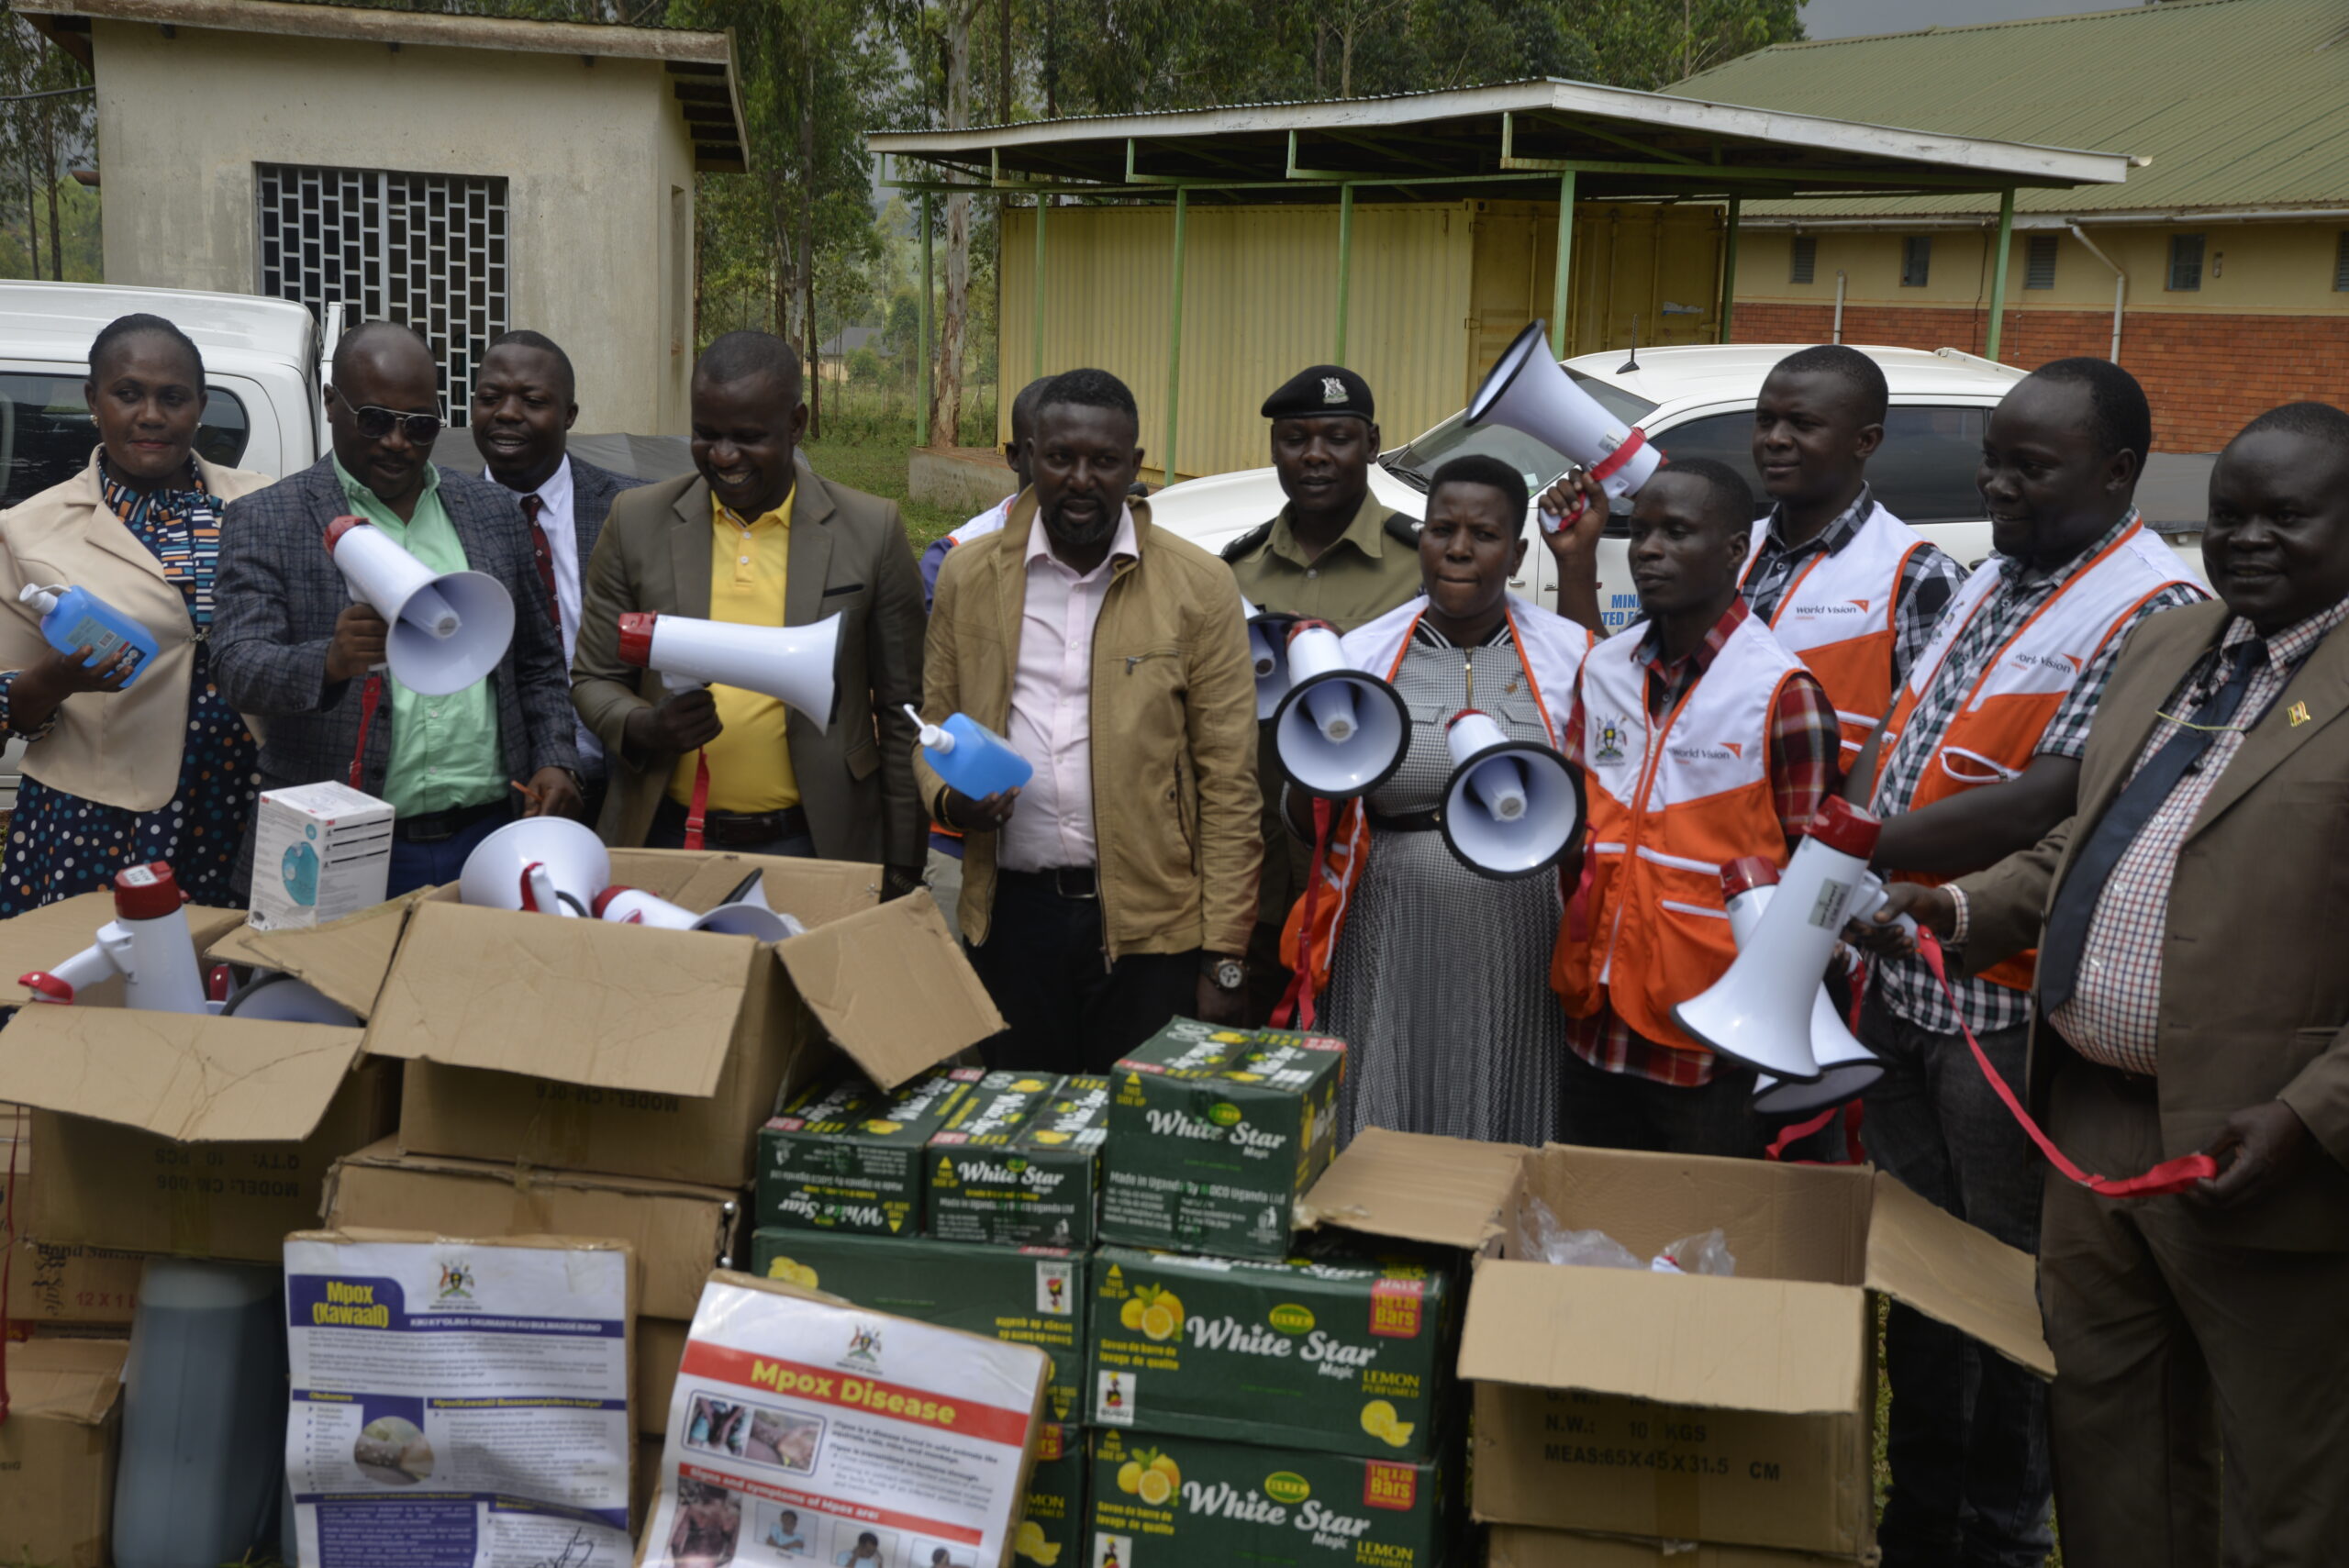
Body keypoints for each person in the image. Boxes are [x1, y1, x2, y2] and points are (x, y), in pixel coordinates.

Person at [1868, 403, 2349, 1568]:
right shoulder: (2171, 647)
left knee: (2278, 1478)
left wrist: (2304, 1116)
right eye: (2226, 514)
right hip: (2089, 1126)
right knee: (2107, 1441)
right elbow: (2084, 843)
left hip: (2257, 1150)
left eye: (2286, 516)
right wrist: (1963, 908)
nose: (2245, 540)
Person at [1850, 358, 2205, 1568]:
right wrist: (1847, 853)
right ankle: (1921, 1515)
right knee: (1919, 1266)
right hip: (1904, 979)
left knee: (2004, 1290)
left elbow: (2057, 796)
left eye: (2029, 466)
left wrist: (1863, 844)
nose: (1997, 484)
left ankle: (1996, 1533)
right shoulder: (1998, 573)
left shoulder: (2150, 607)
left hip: (1998, 1000)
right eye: (1993, 459)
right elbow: (1907, 731)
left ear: (2119, 473)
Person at [918, 368, 1259, 1073]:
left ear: (1135, 466)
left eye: (1104, 461)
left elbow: (1228, 781)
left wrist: (1224, 955)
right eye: (1061, 457)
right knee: (1024, 1150)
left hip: (1153, 934)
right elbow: (932, 728)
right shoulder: (970, 576)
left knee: (1137, 1154)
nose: (1081, 478)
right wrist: (953, 801)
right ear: (1026, 457)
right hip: (1012, 923)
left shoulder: (1199, 587)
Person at [1283, 454, 1593, 1145]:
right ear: (1420, 540)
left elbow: (1600, 794)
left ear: (1515, 554)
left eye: (1483, 534)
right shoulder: (1360, 656)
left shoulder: (1569, 655)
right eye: (1440, 529)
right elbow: (1309, 826)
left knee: (1505, 1104)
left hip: (1520, 936)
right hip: (1388, 923)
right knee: (1387, 1102)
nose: (1457, 548)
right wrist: (1313, 735)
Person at [213, 321, 581, 896]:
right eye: (376, 420)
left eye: (420, 426)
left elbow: (537, 661)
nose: (397, 442)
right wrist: (330, 662)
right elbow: (236, 667)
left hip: (490, 830)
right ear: (331, 403)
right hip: (338, 843)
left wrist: (557, 757)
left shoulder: (490, 510)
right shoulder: (267, 518)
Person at [1547, 458, 1840, 1158]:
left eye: (1677, 532)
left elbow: (1813, 882)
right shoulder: (1605, 669)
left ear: (1736, 549)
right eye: (1640, 531)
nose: (1649, 550)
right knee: (1582, 1233)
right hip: (1594, 1014)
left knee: (1702, 1245)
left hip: (1712, 1039)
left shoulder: (1781, 693)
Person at [572, 331, 926, 891]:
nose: (723, 456)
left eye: (748, 436)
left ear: (797, 424)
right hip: (664, 834)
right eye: (705, 434)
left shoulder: (871, 530)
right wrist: (645, 724)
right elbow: (593, 677)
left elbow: (907, 709)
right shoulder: (636, 521)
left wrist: (904, 859)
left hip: (816, 840)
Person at [0, 315, 274, 913]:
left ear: (200, 406)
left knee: (235, 988)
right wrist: (56, 679)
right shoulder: (28, 530)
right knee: (101, 991)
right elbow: (8, 703)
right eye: (128, 393)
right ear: (94, 401)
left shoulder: (261, 502)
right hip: (99, 817)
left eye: (172, 397)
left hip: (244, 797)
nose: (151, 415)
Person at [1221, 365, 1425, 1023]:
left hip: (1370, 862)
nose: (1313, 455)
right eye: (1294, 438)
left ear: (1371, 443)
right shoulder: (1237, 569)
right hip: (1259, 862)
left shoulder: (1420, 563)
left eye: (1336, 437)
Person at [471, 328, 647, 828]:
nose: (506, 412)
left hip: (623, 783)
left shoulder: (631, 509)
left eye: (532, 400)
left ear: (569, 415)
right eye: (490, 398)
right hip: (503, 796)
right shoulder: (440, 513)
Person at [919, 376, 1051, 611]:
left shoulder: (1131, 551)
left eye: (1098, 458)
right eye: (1053, 455)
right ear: (1014, 456)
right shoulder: (948, 562)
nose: (1078, 474)